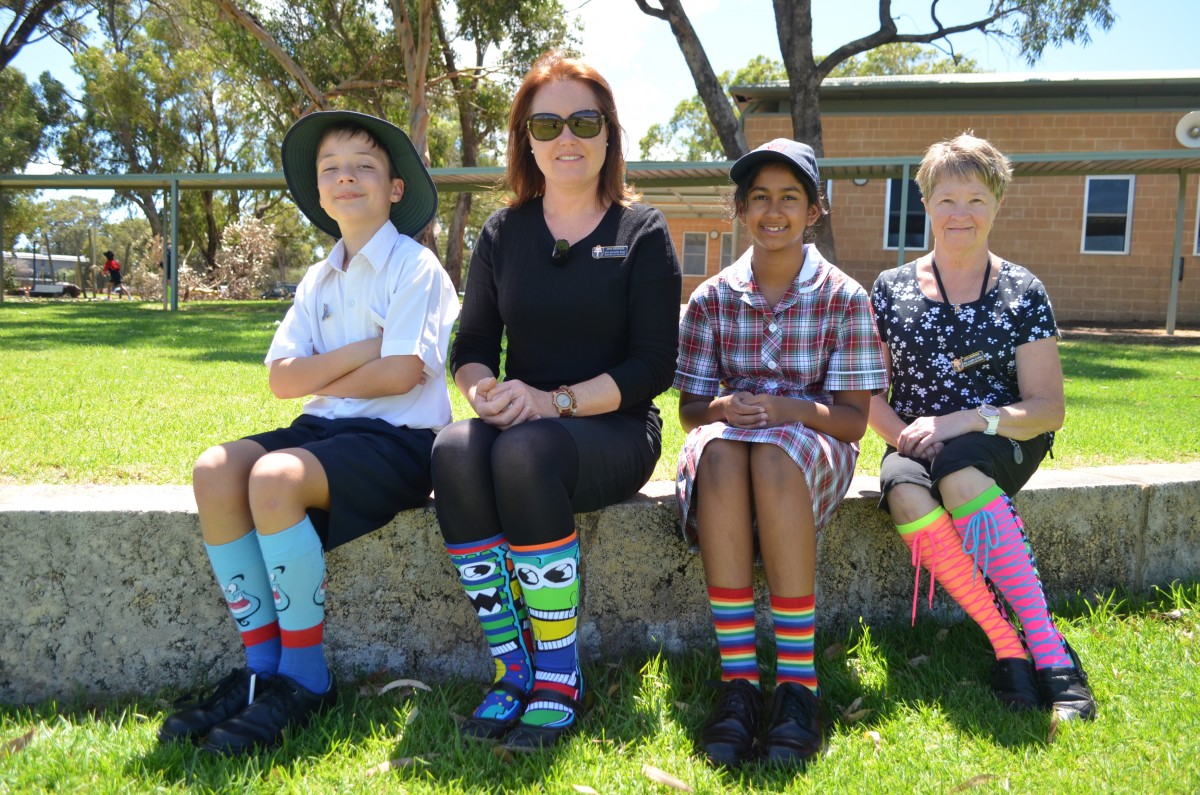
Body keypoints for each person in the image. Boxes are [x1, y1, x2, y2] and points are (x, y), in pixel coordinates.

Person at [157, 110, 458, 754]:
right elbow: (282, 381)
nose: (345, 179)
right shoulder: (317, 278)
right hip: (322, 429)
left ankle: (305, 677)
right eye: (331, 170)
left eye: (364, 167)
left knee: (273, 477)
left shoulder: (416, 267)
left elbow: (404, 373)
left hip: (400, 444)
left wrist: (329, 372)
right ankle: (261, 669)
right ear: (319, 191)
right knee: (215, 469)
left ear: (395, 188)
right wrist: (362, 351)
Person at [430, 50, 682, 752]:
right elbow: (472, 343)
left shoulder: (643, 232)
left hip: (612, 425)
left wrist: (553, 402)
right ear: (526, 139)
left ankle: (559, 673)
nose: (566, 137)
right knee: (452, 447)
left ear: (608, 134)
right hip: (524, 423)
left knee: (526, 450)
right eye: (547, 123)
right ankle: (513, 666)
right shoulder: (502, 233)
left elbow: (652, 367)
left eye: (583, 120)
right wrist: (483, 393)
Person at [674, 139, 888, 768]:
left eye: (790, 198)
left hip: (811, 441)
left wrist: (785, 408)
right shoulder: (710, 298)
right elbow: (691, 409)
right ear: (740, 210)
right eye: (760, 197)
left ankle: (798, 686)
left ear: (813, 210)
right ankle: (738, 685)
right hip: (729, 448)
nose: (774, 211)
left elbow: (852, 423)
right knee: (718, 453)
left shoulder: (845, 297)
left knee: (771, 456)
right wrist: (723, 408)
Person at [868, 132, 1096, 722]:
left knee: (961, 471)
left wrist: (965, 420)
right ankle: (1005, 643)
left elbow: (1047, 408)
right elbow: (870, 397)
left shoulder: (1023, 291)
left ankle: (1049, 650)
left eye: (975, 199)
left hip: (1004, 435)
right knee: (906, 489)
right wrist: (904, 439)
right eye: (947, 199)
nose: (960, 213)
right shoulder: (890, 291)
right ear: (925, 204)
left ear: (997, 204)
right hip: (915, 439)